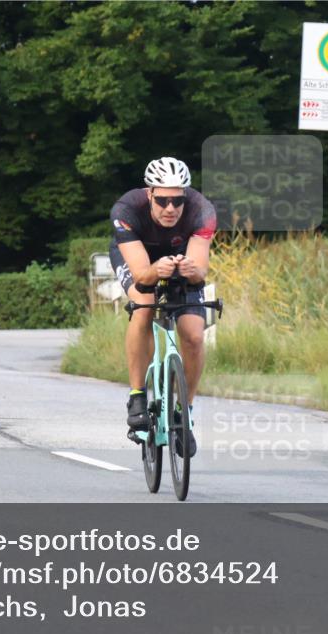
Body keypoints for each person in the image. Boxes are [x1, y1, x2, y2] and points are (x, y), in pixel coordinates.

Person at [109, 157, 216, 457]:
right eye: (163, 200)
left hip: (179, 262)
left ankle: (184, 412)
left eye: (178, 200)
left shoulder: (202, 210)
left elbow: (200, 272)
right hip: (139, 259)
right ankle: (137, 396)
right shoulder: (126, 210)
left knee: (193, 335)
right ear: (150, 194)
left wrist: (191, 270)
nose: (171, 208)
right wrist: (156, 270)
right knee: (144, 305)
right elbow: (143, 277)